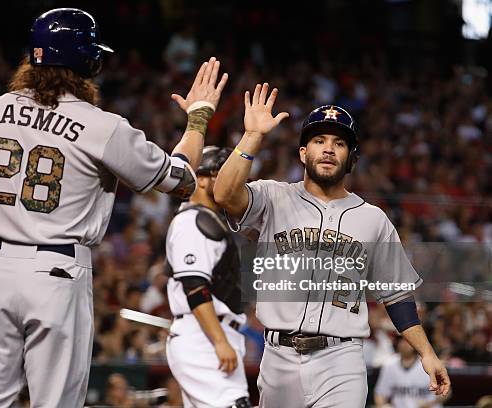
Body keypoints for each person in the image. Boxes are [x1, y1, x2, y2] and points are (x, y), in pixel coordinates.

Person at [0, 8, 228, 407]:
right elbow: (181, 180)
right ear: (88, 62)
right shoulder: (101, 125)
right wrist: (198, 118)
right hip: (57, 276)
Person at [214, 83, 450, 407]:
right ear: (303, 152)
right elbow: (224, 194)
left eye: (339, 143)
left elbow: (396, 295)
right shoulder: (273, 197)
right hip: (278, 358)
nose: (328, 149)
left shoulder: (373, 219)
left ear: (351, 158)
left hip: (342, 359)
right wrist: (252, 136)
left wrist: (427, 353)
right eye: (318, 140)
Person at [165, 146, 251, 407]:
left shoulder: (210, 219)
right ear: (200, 179)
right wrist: (219, 341)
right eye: (219, 174)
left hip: (210, 333)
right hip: (202, 335)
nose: (229, 182)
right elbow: (195, 287)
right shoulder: (193, 221)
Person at [375, 337, 448, 408]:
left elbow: (447, 392)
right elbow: (380, 394)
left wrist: (429, 404)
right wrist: (383, 405)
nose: (404, 344)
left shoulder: (428, 363)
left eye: (408, 341)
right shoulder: (389, 364)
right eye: (401, 340)